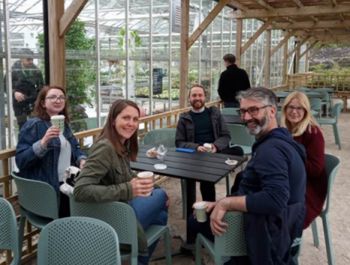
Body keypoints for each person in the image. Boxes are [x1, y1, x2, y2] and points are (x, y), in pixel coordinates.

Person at [187, 87, 306, 265]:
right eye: (243, 111)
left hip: (267, 233)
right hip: (285, 226)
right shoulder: (282, 141)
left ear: (272, 111)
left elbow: (275, 199)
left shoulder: (271, 151)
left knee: (194, 220)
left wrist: (227, 203)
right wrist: (220, 203)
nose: (247, 117)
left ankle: (228, 252)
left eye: (254, 110)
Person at [73, 99, 168, 265]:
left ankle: (138, 259)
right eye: (126, 118)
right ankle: (137, 256)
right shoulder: (105, 148)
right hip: (110, 218)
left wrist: (142, 184)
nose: (131, 123)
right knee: (161, 196)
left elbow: (126, 175)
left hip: (119, 209)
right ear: (113, 120)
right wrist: (127, 189)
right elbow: (80, 190)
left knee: (161, 215)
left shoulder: (121, 145)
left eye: (135, 119)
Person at [175, 84, 243, 250]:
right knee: (192, 178)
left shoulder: (215, 113)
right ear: (189, 99)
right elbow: (179, 142)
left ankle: (209, 217)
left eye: (200, 95)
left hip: (214, 154)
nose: (197, 98)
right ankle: (194, 227)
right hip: (194, 157)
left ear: (205, 97)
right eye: (194, 96)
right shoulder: (184, 118)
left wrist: (214, 147)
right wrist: (196, 147)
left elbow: (226, 136)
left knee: (236, 152)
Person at [15, 85, 87, 217]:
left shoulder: (63, 124)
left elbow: (75, 147)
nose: (58, 100)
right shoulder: (34, 125)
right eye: (52, 97)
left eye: (61, 97)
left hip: (68, 182)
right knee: (78, 214)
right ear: (43, 103)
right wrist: (43, 142)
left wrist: (81, 159)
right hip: (49, 188)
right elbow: (21, 161)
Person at [281, 91, 327, 229]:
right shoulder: (283, 130)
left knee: (275, 208)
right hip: (286, 180)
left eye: (299, 108)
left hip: (307, 189)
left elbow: (316, 170)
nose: (294, 112)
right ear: (285, 109)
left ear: (306, 111)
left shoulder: (313, 133)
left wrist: (289, 161)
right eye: (291, 107)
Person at [12, 48, 44, 129]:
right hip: (19, 103)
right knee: (22, 125)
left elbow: (41, 87)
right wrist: (14, 92)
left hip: (33, 102)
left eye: (32, 59)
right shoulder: (13, 70)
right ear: (21, 58)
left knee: (34, 124)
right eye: (28, 59)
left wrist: (38, 100)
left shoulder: (36, 70)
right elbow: (6, 85)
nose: (31, 62)